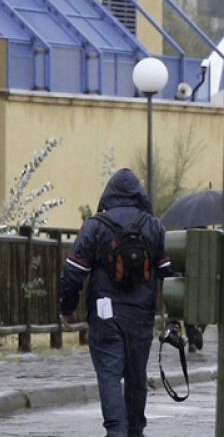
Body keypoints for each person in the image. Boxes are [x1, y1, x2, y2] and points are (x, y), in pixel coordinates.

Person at [59, 169, 174, 437]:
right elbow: (168, 273)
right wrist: (175, 315)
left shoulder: (95, 225)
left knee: (109, 373)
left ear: (108, 194)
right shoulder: (153, 226)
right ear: (140, 195)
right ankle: (135, 430)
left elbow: (73, 271)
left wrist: (67, 307)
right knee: (136, 375)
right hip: (141, 315)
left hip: (105, 314)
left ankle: (116, 430)